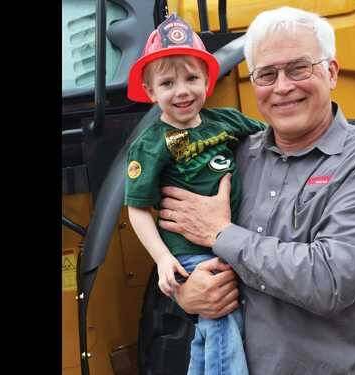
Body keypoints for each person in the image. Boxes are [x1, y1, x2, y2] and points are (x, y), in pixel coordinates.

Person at [157, 6, 355, 375]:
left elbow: (328, 280)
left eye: (299, 68)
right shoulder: (235, 156)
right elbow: (181, 233)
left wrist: (220, 233)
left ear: (331, 72)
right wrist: (184, 290)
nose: (282, 87)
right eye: (266, 74)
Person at [124, 13, 266, 375]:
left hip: (228, 241)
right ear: (150, 91)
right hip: (190, 254)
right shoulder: (150, 145)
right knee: (221, 319)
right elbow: (137, 208)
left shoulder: (228, 122)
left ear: (208, 79)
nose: (182, 91)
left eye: (191, 78)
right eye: (167, 83)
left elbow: (273, 137)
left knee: (207, 335)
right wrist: (160, 258)